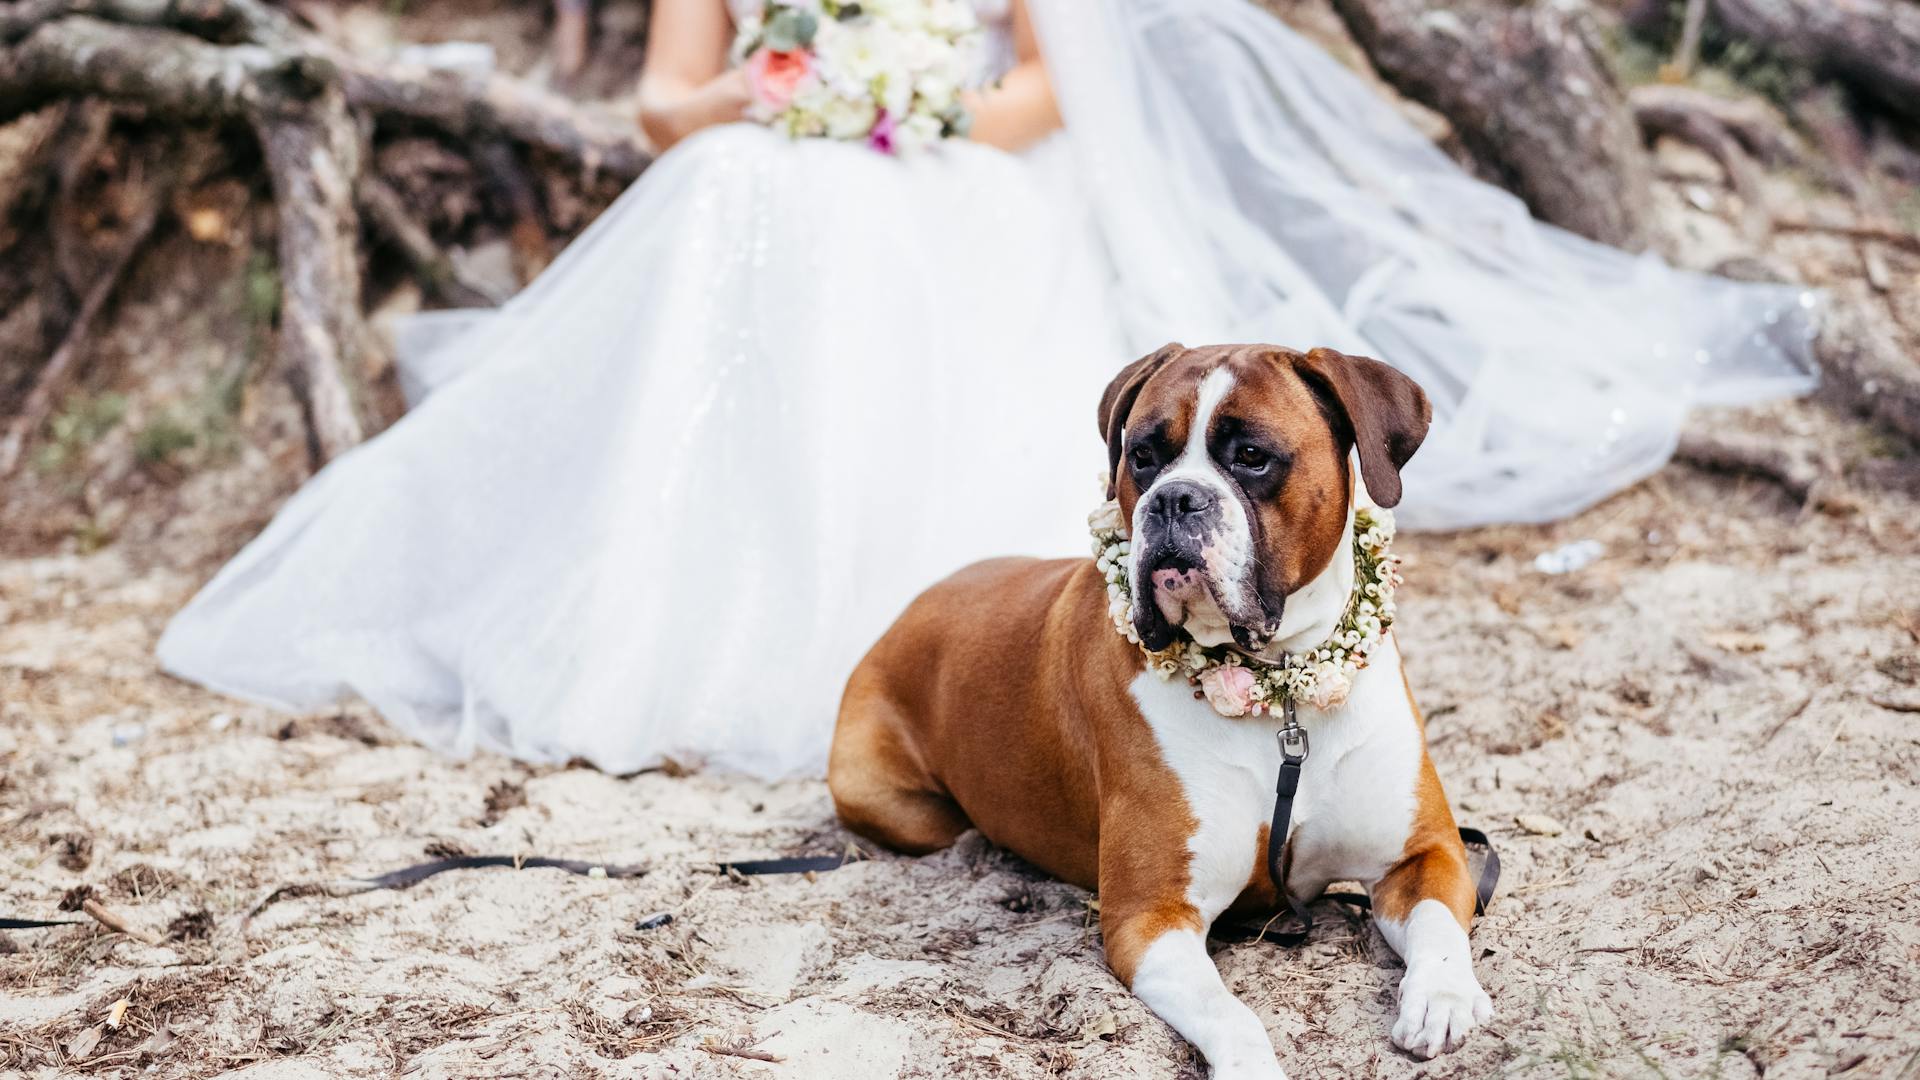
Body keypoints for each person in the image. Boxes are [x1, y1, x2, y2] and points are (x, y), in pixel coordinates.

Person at [158, 0, 1818, 778]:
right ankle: (706, 601)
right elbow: (666, 107)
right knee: (742, 189)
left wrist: (908, 112)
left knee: (866, 216)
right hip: (771, 168)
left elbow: (1043, 90)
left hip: (960, 175)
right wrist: (779, 89)